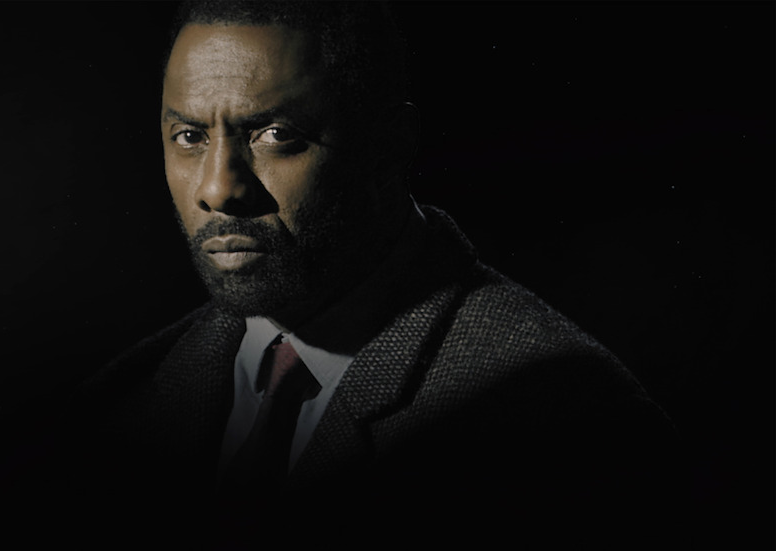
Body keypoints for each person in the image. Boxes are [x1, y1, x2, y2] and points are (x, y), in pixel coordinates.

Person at [71, 2, 680, 548]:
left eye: (276, 135)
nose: (218, 188)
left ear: (390, 145)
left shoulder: (564, 423)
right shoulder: (118, 405)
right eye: (189, 136)